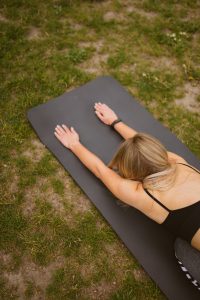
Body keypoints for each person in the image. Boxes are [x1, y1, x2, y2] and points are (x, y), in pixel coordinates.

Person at [54, 102, 200, 289]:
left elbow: (100, 170)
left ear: (132, 171)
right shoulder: (178, 162)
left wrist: (73, 144)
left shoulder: (143, 195)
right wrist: (115, 121)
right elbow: (145, 149)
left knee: (181, 249)